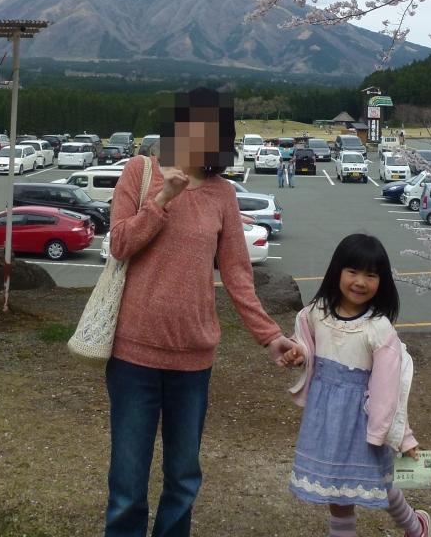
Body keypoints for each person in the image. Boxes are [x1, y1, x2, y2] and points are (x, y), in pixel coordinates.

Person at [103, 87, 298, 537]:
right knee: (128, 483)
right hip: (133, 355)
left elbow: (238, 274)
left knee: (183, 478)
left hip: (193, 359)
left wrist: (270, 336)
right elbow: (119, 244)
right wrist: (162, 200)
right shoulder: (140, 171)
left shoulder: (222, 193)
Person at [286, 233, 431, 537]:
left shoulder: (379, 329)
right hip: (326, 422)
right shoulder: (317, 313)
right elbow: (306, 344)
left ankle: (415, 526)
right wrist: (298, 353)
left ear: (382, 281)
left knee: (382, 484)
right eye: (352, 271)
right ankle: (414, 526)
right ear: (337, 271)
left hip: (363, 424)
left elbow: (389, 390)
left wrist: (403, 436)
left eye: (371, 275)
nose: (360, 282)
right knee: (339, 497)